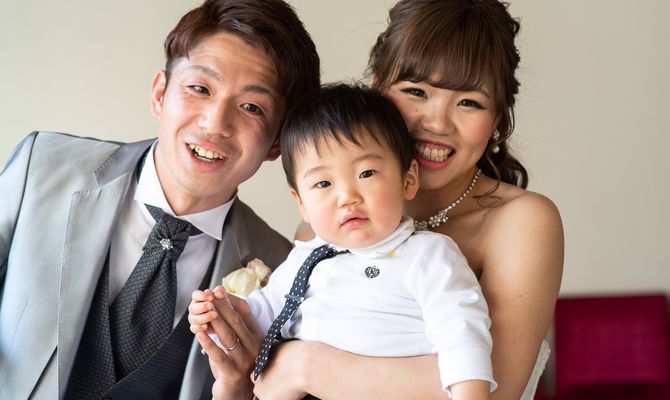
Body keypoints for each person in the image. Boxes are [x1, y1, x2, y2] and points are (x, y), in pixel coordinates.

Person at [198, 1, 564, 399]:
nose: (437, 123)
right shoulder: (325, 232)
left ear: (497, 119)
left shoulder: (520, 221)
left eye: (469, 102)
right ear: (377, 88)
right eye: (416, 91)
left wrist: (304, 365)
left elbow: (494, 388)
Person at [0, 0, 319, 398]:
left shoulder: (286, 270)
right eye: (200, 88)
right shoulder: (42, 166)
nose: (215, 123)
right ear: (160, 93)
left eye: (251, 107)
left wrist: (236, 387)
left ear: (276, 144)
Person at [190, 83, 497, 399]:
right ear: (301, 203)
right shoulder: (305, 258)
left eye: (366, 173)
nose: (347, 197)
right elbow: (265, 312)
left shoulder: (427, 255)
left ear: (408, 180)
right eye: (323, 183)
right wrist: (224, 313)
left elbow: (462, 337)